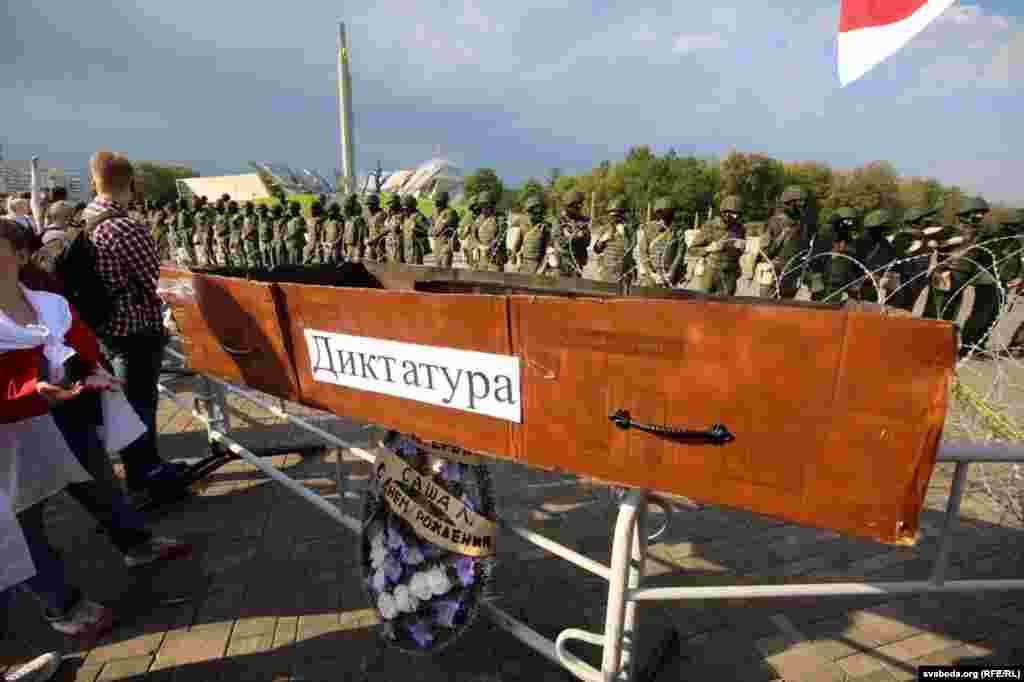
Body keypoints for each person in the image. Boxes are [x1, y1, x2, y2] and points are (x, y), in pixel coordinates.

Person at [0, 219, 115, 643]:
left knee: (29, 520)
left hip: (35, 426)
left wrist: (88, 370)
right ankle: (61, 604)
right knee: (18, 526)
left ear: (21, 256)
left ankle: (62, 601)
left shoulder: (46, 302)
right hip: (11, 430)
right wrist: (31, 387)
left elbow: (69, 346)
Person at [81, 151, 192, 502]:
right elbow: (154, 280)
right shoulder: (125, 226)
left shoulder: (87, 217)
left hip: (105, 327)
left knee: (126, 405)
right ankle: (147, 476)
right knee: (140, 404)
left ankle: (139, 472)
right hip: (136, 330)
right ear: (130, 182)